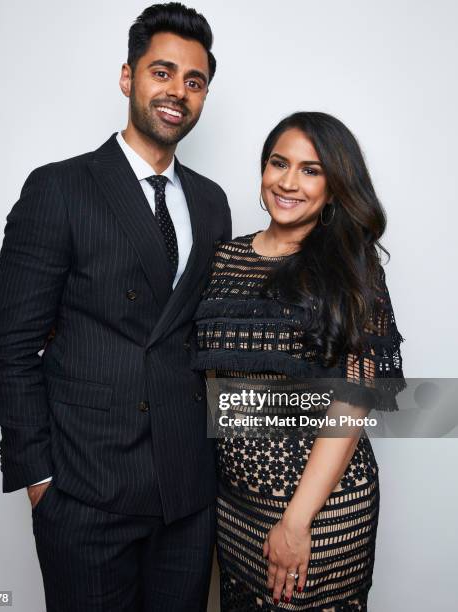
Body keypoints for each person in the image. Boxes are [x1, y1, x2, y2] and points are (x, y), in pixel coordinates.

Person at [0, 3, 231, 611]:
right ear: (129, 77)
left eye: (194, 81)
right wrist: (40, 479)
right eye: (162, 72)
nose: (178, 91)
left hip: (186, 491)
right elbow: (10, 348)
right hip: (86, 489)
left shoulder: (212, 201)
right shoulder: (60, 188)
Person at [192, 112, 405, 610]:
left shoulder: (353, 271)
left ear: (335, 187)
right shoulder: (223, 259)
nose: (288, 182)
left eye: (311, 170)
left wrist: (296, 521)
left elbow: (353, 402)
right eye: (278, 163)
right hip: (234, 504)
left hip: (320, 511)